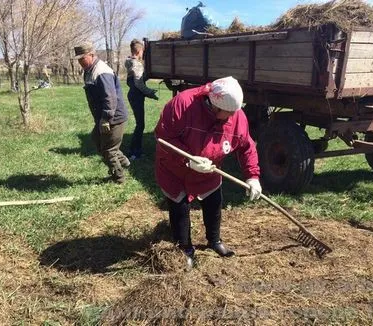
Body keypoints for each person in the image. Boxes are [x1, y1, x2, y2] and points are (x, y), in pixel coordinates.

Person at [154, 76, 262, 265]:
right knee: (179, 208)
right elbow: (163, 138)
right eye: (228, 113)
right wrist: (188, 159)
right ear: (214, 106)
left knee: (213, 204)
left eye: (234, 112)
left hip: (210, 172)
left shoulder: (236, 116)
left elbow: (246, 146)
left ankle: (214, 241)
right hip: (175, 170)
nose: (231, 117)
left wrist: (252, 176)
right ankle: (185, 249)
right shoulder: (182, 105)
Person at [74, 41, 130, 183]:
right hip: (103, 117)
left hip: (113, 117)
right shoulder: (89, 70)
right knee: (96, 139)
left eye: (82, 58)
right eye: (78, 59)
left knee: (108, 150)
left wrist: (106, 118)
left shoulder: (101, 71)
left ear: (92, 55)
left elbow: (109, 97)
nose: (80, 62)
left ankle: (118, 178)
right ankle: (124, 162)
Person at [124, 39, 159, 161]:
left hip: (133, 94)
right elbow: (139, 84)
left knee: (140, 124)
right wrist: (150, 92)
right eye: (143, 51)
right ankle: (135, 153)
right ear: (139, 51)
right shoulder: (137, 64)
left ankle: (134, 150)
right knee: (140, 125)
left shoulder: (129, 62)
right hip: (136, 95)